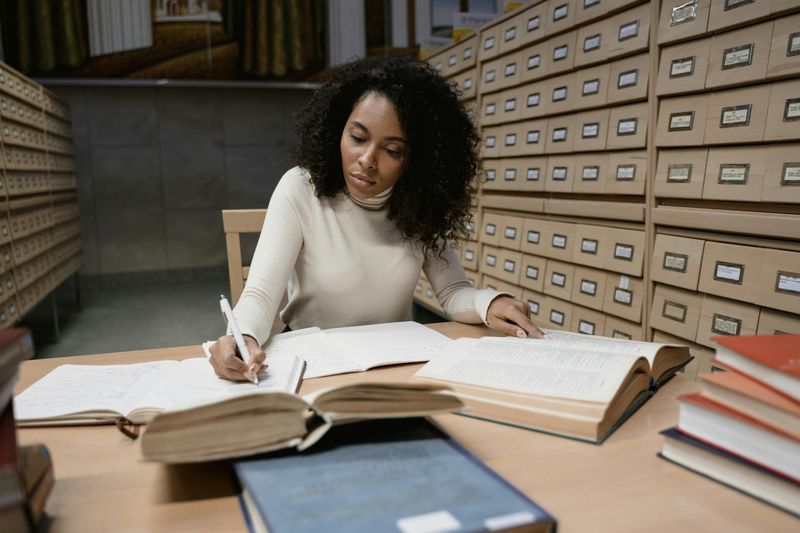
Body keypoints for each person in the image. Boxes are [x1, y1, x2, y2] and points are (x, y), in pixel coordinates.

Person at [210, 55, 543, 382]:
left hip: (391, 365)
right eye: (357, 138)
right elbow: (261, 295)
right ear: (336, 130)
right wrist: (244, 338)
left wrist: (491, 302)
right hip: (313, 366)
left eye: (392, 150)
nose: (367, 160)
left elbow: (454, 292)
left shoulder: (420, 204)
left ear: (416, 159)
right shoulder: (300, 188)